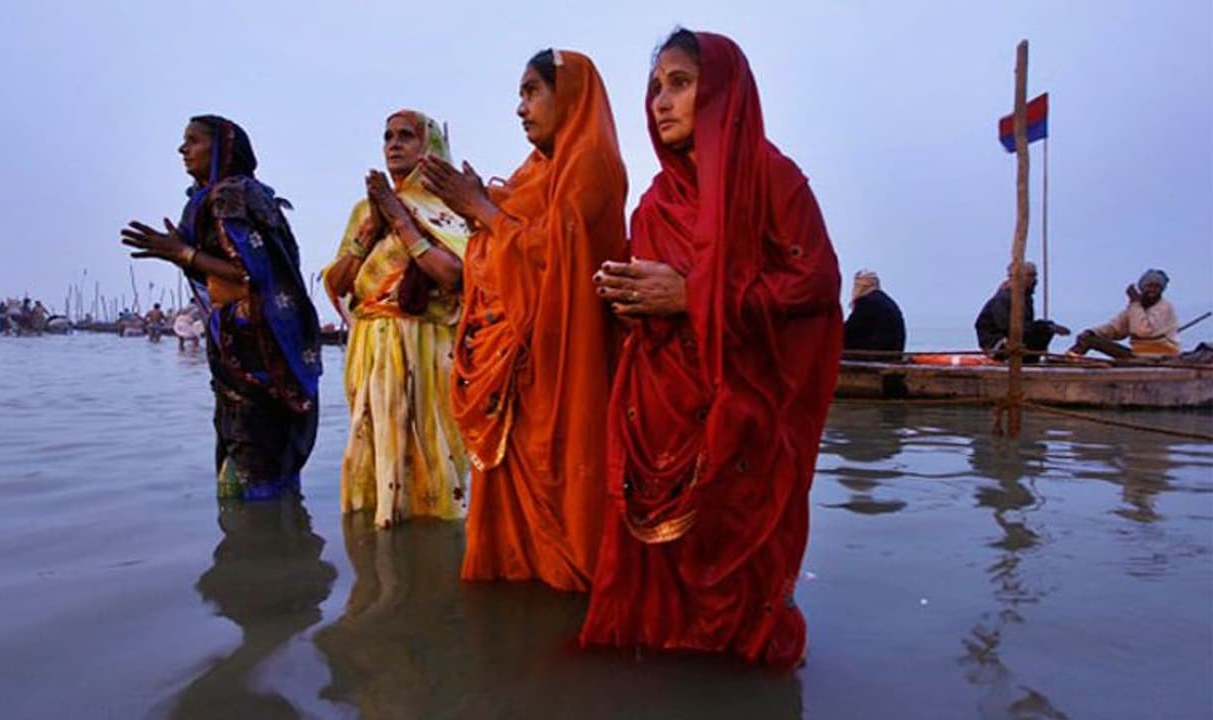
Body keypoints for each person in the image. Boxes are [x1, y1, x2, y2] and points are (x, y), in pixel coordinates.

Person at [580, 30, 842, 666]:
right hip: (658, 410)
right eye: (655, 88)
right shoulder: (653, 202)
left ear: (723, 92)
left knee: (734, 564)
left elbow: (815, 283)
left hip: (741, 414)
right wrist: (626, 297)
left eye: (680, 83)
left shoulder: (771, 179)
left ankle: (734, 679)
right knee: (658, 582)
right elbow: (655, 299)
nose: (660, 103)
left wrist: (692, 294)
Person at [420, 49, 627, 591]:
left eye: (532, 91)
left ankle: (568, 616)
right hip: (512, 370)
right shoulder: (530, 174)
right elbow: (492, 253)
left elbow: (559, 256)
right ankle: (512, 614)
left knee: (561, 487)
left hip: (564, 363)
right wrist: (483, 205)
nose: (519, 108)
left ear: (571, 97)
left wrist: (482, 210)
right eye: (520, 94)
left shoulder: (591, 163)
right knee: (512, 509)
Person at [121, 115, 321, 501]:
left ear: (223, 151)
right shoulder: (213, 199)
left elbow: (255, 274)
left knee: (254, 454)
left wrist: (183, 253)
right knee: (250, 450)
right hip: (234, 344)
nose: (183, 149)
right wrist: (182, 254)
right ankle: (273, 545)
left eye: (193, 141)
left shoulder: (231, 196)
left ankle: (263, 545)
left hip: (257, 346)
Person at [321, 110, 469, 528]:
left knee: (434, 460)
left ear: (430, 148)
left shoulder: (447, 208)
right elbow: (342, 282)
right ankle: (380, 556)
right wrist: (372, 227)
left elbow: (455, 274)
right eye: (387, 136)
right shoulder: (363, 212)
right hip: (370, 346)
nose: (394, 144)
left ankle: (437, 555)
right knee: (373, 453)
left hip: (428, 346)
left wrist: (401, 220)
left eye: (407, 136)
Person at [1066, 269, 1180, 358]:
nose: (1153, 290)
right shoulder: (1137, 307)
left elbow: (1143, 331)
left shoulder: (1164, 308)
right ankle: (1068, 360)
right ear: (1142, 288)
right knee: (1088, 339)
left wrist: (1135, 303)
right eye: (1149, 286)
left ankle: (1069, 361)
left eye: (1157, 287)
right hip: (1138, 355)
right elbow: (1115, 329)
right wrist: (1091, 332)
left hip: (1158, 357)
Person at [974, 261, 1069, 359]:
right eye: (1031, 276)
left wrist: (1048, 326)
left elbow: (1026, 325)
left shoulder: (1025, 298)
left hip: (1014, 338)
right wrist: (1045, 327)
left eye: (1035, 276)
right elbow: (1008, 327)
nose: (1035, 280)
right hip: (996, 343)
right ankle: (1018, 360)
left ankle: (1029, 359)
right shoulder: (1004, 298)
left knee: (1046, 329)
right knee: (1044, 329)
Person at [843, 269, 906, 354]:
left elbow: (849, 329)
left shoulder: (866, 302)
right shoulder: (884, 300)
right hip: (893, 352)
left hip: (876, 354)